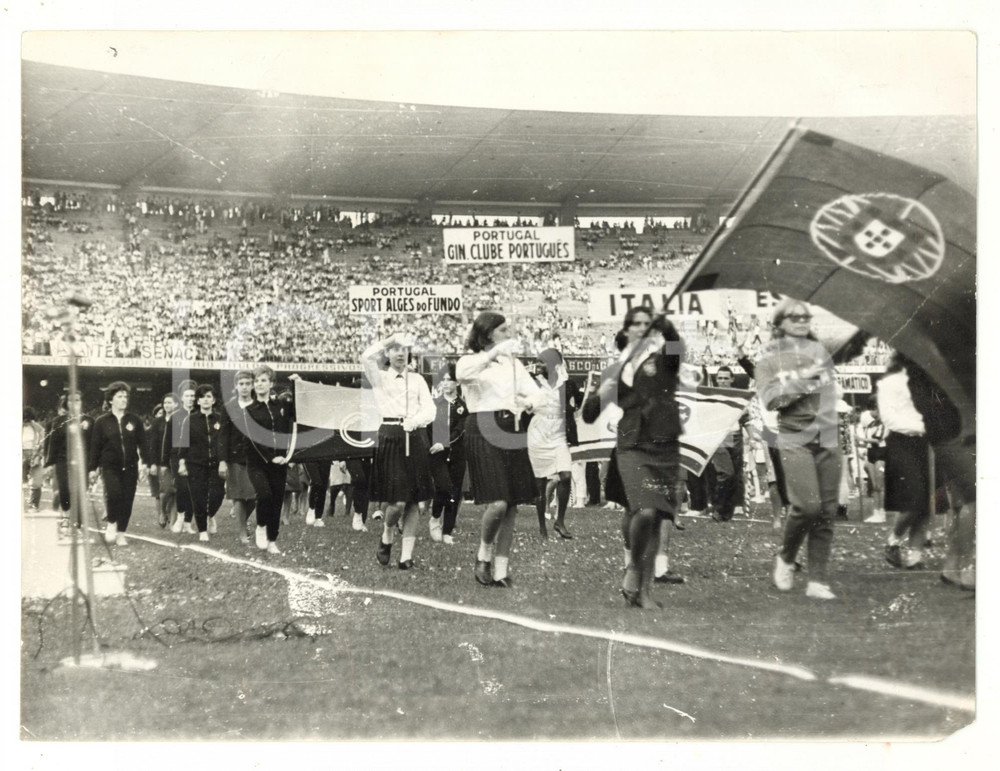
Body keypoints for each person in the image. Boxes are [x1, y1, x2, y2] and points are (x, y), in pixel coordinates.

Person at [583, 306, 684, 608]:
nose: (641, 328)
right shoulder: (615, 369)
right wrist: (602, 392)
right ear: (626, 330)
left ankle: (646, 591)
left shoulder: (664, 361)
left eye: (646, 324)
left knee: (656, 519)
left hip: (664, 445)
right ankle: (633, 569)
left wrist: (665, 325)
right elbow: (589, 416)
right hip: (632, 444)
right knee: (645, 511)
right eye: (635, 324)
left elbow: (676, 346)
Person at [756, 300, 841, 600]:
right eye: (796, 317)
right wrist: (806, 381)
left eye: (807, 316)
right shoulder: (767, 358)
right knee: (807, 506)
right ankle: (786, 557)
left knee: (827, 511)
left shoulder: (821, 350)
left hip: (829, 432)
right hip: (794, 434)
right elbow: (769, 399)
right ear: (780, 322)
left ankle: (818, 579)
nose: (803, 320)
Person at [457, 312, 546, 587]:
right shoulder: (471, 360)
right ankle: (483, 554)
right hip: (483, 425)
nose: (509, 334)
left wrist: (530, 402)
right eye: (503, 330)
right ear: (488, 333)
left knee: (512, 505)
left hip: (512, 426)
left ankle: (501, 570)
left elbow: (538, 394)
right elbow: (462, 374)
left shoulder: (513, 364)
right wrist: (493, 353)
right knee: (498, 501)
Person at [878, 353, 961, 570]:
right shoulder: (890, 383)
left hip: (930, 443)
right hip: (902, 443)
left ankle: (915, 556)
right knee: (913, 498)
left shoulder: (931, 382)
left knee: (927, 501)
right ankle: (893, 541)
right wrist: (922, 427)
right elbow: (889, 417)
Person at [361, 333, 436, 569]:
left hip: (415, 436)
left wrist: (416, 421)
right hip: (391, 435)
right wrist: (386, 340)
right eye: (395, 349)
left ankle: (406, 557)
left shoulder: (417, 380)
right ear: (388, 353)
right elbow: (365, 357)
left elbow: (430, 409)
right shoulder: (380, 377)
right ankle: (387, 535)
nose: (400, 353)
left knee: (413, 501)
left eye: (404, 349)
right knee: (397, 502)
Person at [526, 348, 581, 539]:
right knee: (540, 482)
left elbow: (578, 404)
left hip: (559, 434)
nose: (539, 365)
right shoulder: (531, 382)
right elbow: (526, 403)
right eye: (537, 362)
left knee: (565, 475)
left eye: (542, 362)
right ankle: (542, 527)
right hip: (538, 433)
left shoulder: (567, 384)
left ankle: (560, 521)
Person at [87, 381, 149, 546]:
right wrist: (92, 468)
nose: (123, 399)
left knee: (127, 499)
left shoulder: (134, 420)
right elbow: (95, 447)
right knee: (114, 494)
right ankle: (112, 522)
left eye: (125, 396)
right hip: (109, 466)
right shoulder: (101, 422)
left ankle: (121, 533)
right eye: (119, 396)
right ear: (111, 400)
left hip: (130, 466)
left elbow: (143, 444)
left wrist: (146, 463)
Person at [245, 366, 297, 554]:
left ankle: (272, 540)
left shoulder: (280, 406)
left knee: (276, 500)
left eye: (263, 380)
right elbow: (254, 439)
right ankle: (260, 527)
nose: (259, 384)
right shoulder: (249, 410)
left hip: (280, 462)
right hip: (258, 462)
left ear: (271, 383)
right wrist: (270, 457)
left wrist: (295, 384)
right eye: (257, 381)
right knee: (265, 494)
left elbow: (299, 410)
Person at [176, 384, 226, 542]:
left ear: (214, 400)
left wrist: (224, 461)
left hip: (216, 464)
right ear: (198, 401)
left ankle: (210, 515)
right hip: (196, 464)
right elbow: (183, 444)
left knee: (219, 494)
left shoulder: (220, 419)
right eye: (202, 397)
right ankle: (202, 530)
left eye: (209, 397)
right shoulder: (189, 420)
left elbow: (224, 441)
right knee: (198, 496)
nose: (205, 400)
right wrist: (182, 463)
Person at [427, 363, 467, 545]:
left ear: (457, 382)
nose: (444, 383)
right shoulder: (435, 404)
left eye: (448, 379)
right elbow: (428, 428)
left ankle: (447, 531)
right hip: (437, 454)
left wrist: (445, 443)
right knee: (443, 486)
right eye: (442, 379)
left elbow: (460, 430)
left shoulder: (463, 407)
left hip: (457, 453)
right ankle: (435, 517)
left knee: (455, 491)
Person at [219, 370, 258, 544]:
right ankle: (243, 531)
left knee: (255, 495)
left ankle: (243, 520)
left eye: (248, 383)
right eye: (241, 384)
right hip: (235, 458)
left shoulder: (258, 406)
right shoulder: (229, 407)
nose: (244, 387)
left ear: (252, 385)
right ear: (236, 386)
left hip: (255, 458)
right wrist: (222, 461)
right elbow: (223, 435)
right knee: (239, 496)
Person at [44, 393, 93, 526]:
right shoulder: (58, 421)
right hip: (62, 460)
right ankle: (66, 515)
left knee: (80, 489)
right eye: (71, 401)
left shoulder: (89, 421)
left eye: (77, 400)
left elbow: (93, 444)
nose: (74, 403)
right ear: (67, 403)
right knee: (64, 488)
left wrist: (94, 465)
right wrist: (49, 464)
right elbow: (53, 444)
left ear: (81, 402)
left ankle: (79, 519)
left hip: (82, 461)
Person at [169, 380, 198, 534]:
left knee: (193, 489)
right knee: (182, 488)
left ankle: (188, 522)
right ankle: (180, 518)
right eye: (187, 395)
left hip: (195, 457)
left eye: (193, 395)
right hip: (178, 457)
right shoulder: (175, 416)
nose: (190, 398)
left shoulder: (199, 415)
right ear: (181, 398)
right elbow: (169, 441)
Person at [148, 393, 178, 528]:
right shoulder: (157, 422)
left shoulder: (180, 420)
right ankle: (163, 512)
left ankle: (173, 520)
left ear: (176, 404)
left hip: (176, 460)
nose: (167, 405)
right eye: (165, 403)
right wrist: (153, 463)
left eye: (170, 402)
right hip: (161, 461)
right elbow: (153, 444)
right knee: (165, 490)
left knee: (176, 490)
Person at [22, 407, 46, 511]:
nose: (26, 422)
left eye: (28, 420)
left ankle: (34, 505)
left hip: (34, 455)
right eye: (24, 420)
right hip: (21, 454)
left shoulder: (39, 429)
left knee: (36, 482)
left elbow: (43, 444)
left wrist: (38, 456)